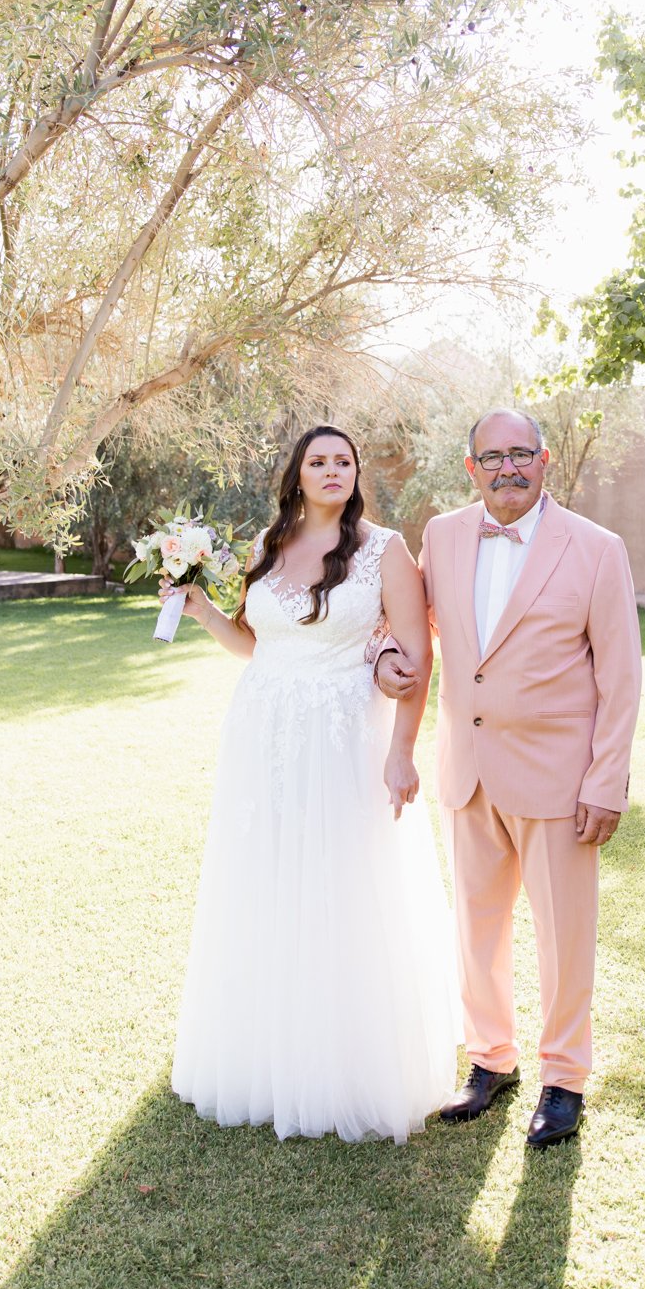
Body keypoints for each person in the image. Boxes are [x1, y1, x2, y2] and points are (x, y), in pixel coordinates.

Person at [163, 425, 459, 1144]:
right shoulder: (269, 544)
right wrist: (202, 613)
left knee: (340, 885)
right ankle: (264, 1055)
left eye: (343, 462)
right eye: (317, 461)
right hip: (261, 737)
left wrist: (401, 753)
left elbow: (418, 661)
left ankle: (345, 1065)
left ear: (357, 475)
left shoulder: (384, 550)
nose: (332, 471)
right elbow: (258, 646)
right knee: (265, 879)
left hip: (342, 740)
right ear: (296, 474)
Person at [377, 409, 641, 1149]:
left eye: (520, 454)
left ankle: (564, 1080)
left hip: (560, 782)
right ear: (470, 468)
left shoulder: (596, 549)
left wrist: (605, 781)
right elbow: (402, 621)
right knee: (477, 930)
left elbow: (621, 676)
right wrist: (380, 657)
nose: (507, 469)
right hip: (466, 770)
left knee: (564, 940)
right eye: (491, 457)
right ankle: (491, 1061)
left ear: (544, 460)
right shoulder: (443, 537)